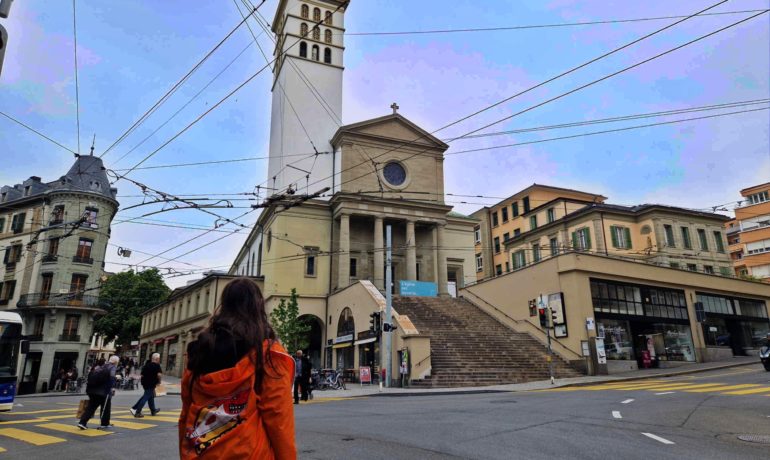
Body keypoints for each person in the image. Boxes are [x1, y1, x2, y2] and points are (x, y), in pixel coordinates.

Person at [178, 278, 296, 459]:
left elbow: (186, 414)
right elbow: (279, 420)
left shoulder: (199, 351)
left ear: (224, 305)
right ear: (258, 306)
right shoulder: (267, 355)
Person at [77, 356, 117, 430]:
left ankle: (82, 422)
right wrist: (112, 388)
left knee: (91, 407)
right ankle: (104, 424)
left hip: (92, 390)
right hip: (103, 392)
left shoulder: (100, 366)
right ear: (116, 362)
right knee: (106, 407)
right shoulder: (112, 367)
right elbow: (111, 379)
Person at [130, 353, 162, 417]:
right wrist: (159, 381)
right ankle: (137, 411)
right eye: (159, 358)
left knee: (150, 396)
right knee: (146, 397)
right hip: (151, 383)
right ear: (157, 358)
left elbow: (142, 375)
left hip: (145, 383)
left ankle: (153, 410)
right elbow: (159, 375)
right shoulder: (157, 365)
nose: (159, 360)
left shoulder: (146, 365)